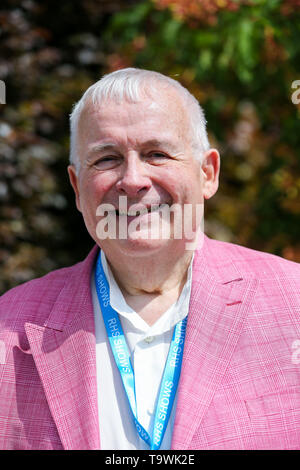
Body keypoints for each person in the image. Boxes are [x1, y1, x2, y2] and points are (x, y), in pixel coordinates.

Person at [1, 68, 300, 451]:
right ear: (77, 188)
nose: (133, 179)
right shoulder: (10, 327)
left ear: (208, 173)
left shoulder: (292, 304)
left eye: (156, 154)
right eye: (107, 159)